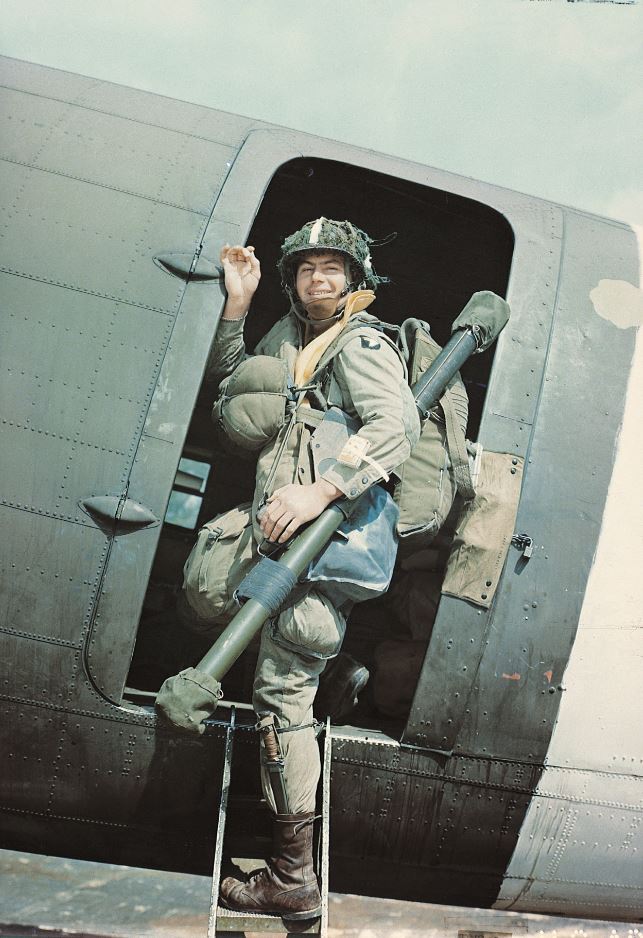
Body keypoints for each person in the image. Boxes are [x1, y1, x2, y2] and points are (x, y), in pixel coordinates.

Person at [205, 218, 420, 919]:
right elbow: (237, 385)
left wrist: (322, 487)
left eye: (333, 269)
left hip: (321, 556)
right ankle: (339, 676)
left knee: (281, 704)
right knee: (210, 597)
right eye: (306, 269)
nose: (318, 278)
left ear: (355, 281)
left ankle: (291, 875)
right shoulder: (296, 342)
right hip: (286, 553)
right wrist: (238, 302)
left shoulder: (357, 342)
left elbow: (396, 426)